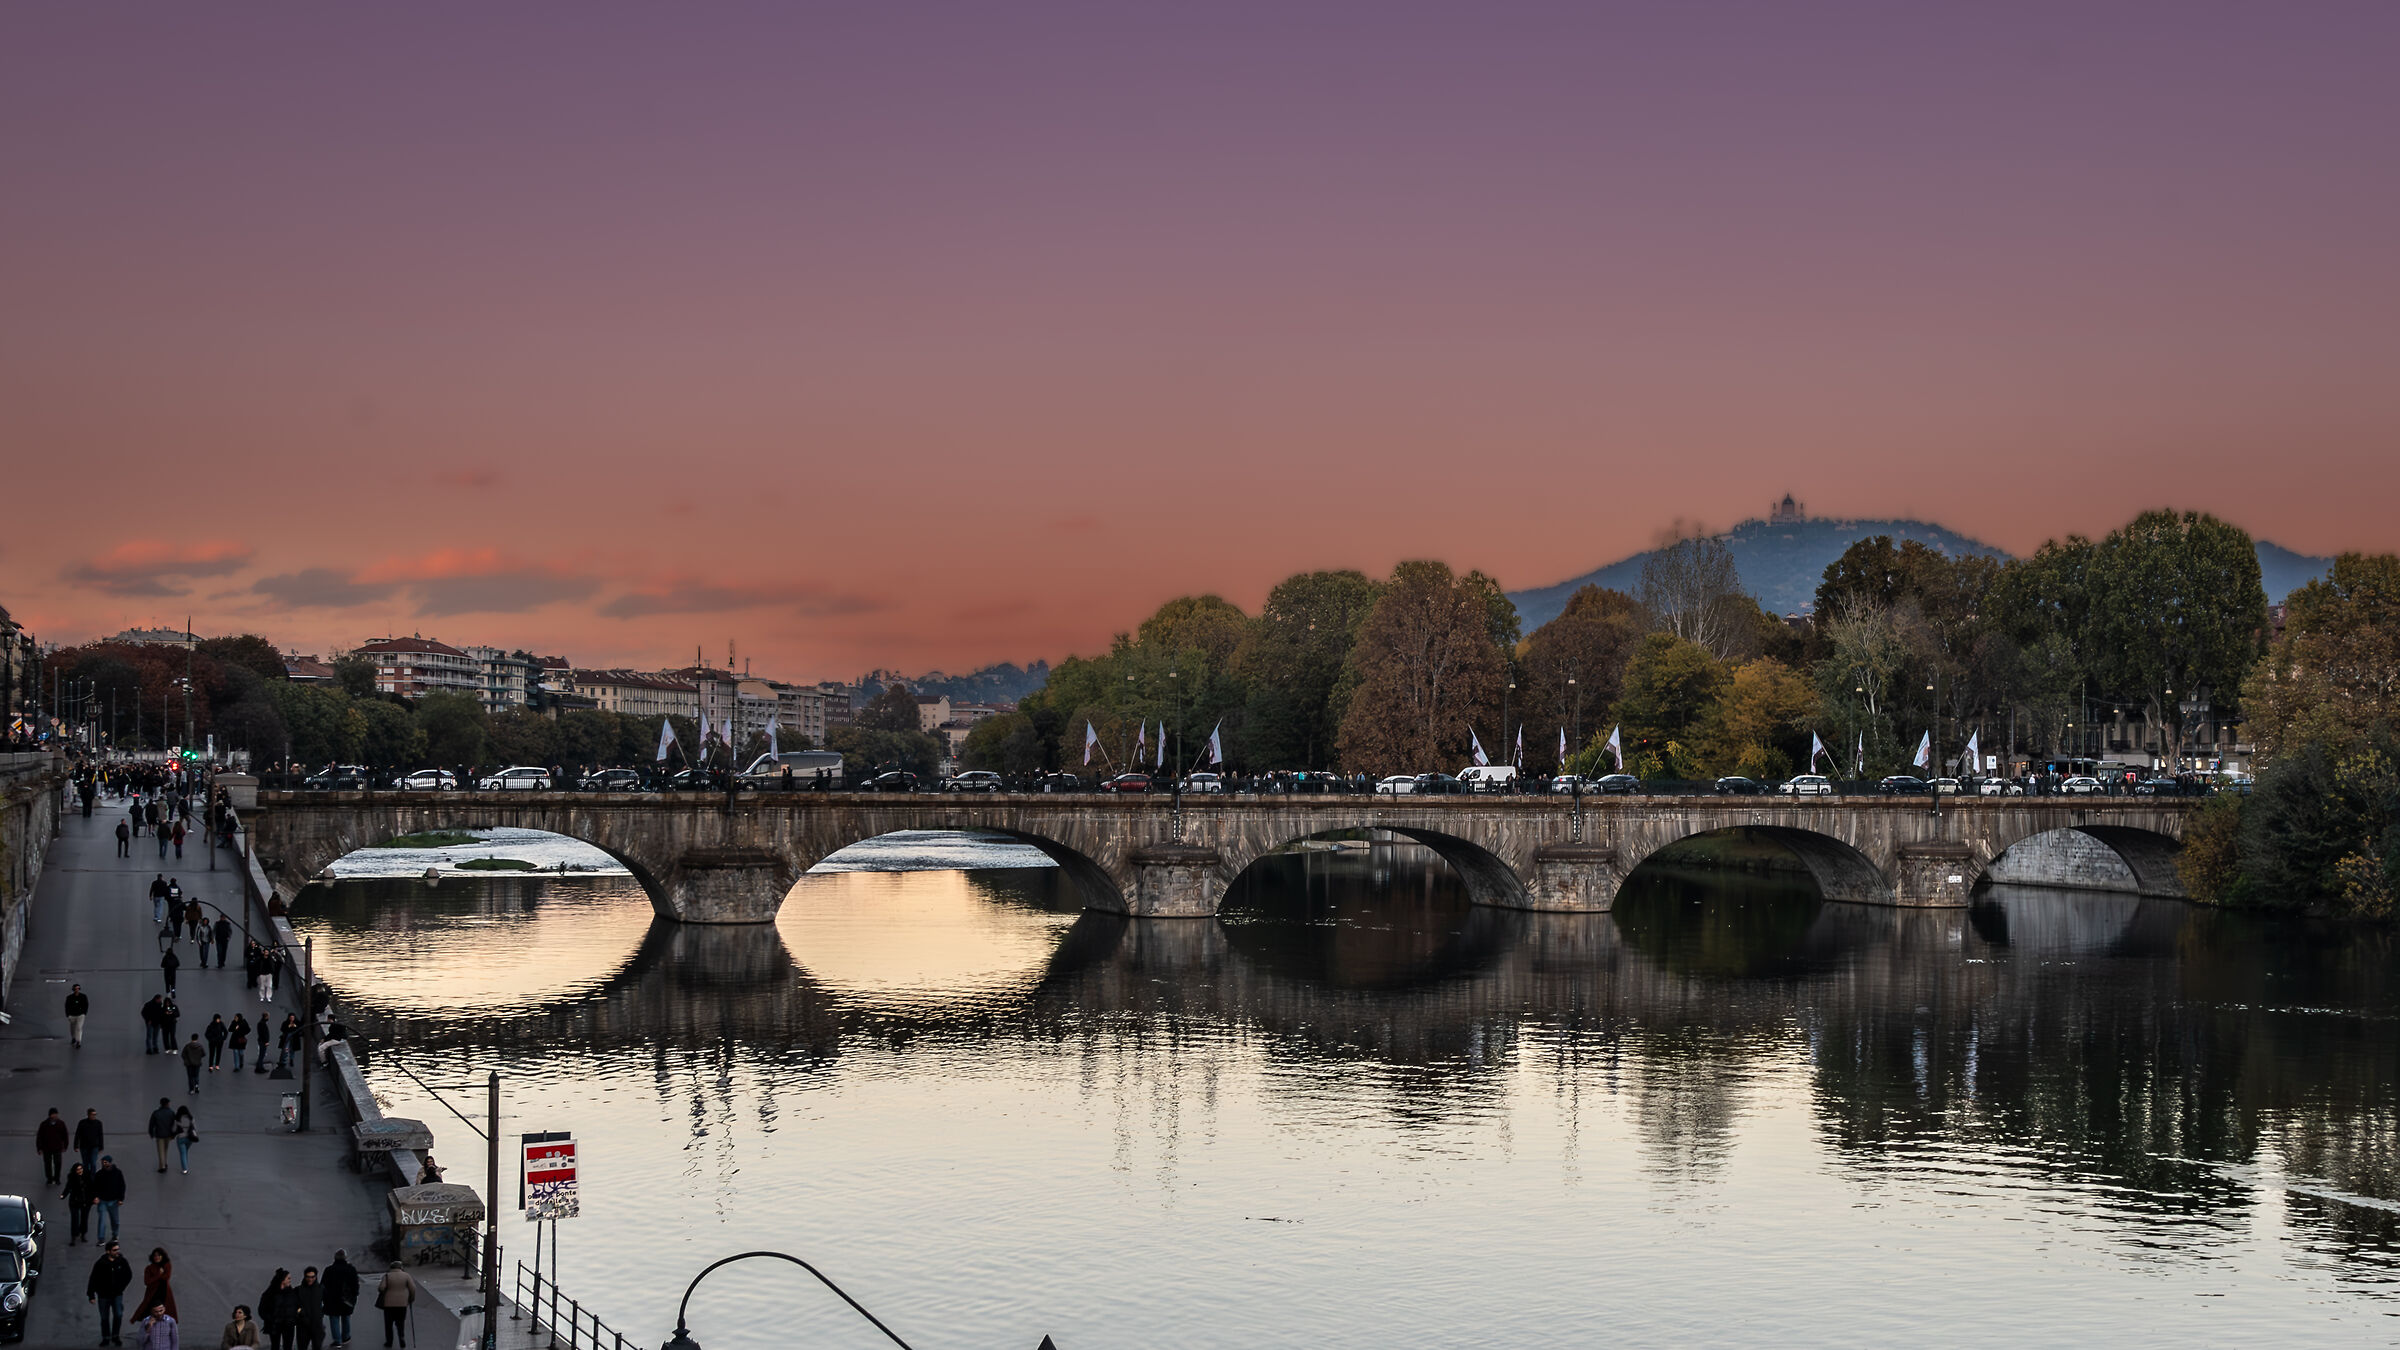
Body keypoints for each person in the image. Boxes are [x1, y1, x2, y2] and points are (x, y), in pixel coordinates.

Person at [89, 1239, 133, 1346]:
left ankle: (115, 1336)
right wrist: (91, 1295)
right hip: (103, 1295)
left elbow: (128, 1275)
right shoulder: (100, 1264)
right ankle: (106, 1337)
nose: (117, 1252)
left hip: (117, 1295)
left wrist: (121, 1287)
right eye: (114, 1250)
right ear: (108, 1251)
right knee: (104, 1318)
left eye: (117, 1249)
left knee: (118, 1315)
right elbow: (93, 1279)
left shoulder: (122, 1261)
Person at [373, 1262, 415, 1349]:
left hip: (388, 1304)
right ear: (401, 1267)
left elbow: (381, 1288)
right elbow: (413, 1288)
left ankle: (389, 1342)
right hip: (402, 1304)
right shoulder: (406, 1275)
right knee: (400, 1323)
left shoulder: (387, 1276)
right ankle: (401, 1338)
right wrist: (411, 1299)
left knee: (388, 1324)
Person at [323, 1251, 359, 1348]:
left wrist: (324, 1298)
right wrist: (354, 1295)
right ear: (345, 1258)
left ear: (335, 1258)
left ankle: (337, 1340)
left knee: (334, 1319)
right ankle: (346, 1337)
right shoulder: (351, 1269)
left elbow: (323, 1285)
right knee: (346, 1317)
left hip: (332, 1300)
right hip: (347, 1299)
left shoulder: (329, 1270)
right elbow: (355, 1285)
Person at [259, 1269, 297, 1350]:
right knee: (275, 1346)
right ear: (282, 1280)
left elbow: (298, 1306)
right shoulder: (269, 1294)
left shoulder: (292, 1293)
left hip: (289, 1325)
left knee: (288, 1347)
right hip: (275, 1325)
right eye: (288, 1278)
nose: (290, 1280)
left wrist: (295, 1317)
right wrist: (270, 1319)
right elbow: (262, 1310)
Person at [137, 1247, 177, 1321]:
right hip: (152, 1293)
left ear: (162, 1256)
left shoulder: (167, 1265)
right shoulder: (149, 1268)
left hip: (164, 1292)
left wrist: (156, 1277)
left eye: (159, 1255)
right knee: (151, 1314)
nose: (157, 1257)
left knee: (164, 1314)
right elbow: (147, 1282)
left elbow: (166, 1277)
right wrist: (158, 1275)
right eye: (155, 1256)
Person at [62, 1159, 95, 1245]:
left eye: (81, 1169)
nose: (80, 1171)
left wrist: (94, 1197)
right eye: (78, 1169)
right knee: (75, 1219)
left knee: (84, 1218)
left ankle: (83, 1234)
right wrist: (63, 1195)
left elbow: (92, 1188)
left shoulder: (87, 1177)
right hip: (75, 1201)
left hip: (86, 1201)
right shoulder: (72, 1178)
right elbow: (68, 1187)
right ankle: (74, 1236)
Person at [94, 1155, 127, 1243]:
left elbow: (122, 1186)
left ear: (110, 1162)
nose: (104, 1164)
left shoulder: (117, 1173)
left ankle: (115, 1235)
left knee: (115, 1221)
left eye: (105, 1162)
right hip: (102, 1201)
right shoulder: (99, 1174)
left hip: (113, 1201)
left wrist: (121, 1199)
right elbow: (95, 1187)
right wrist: (96, 1197)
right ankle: (101, 1238)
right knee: (102, 1221)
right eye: (102, 1162)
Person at [294, 1267, 326, 1350]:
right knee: (302, 1347)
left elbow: (328, 1303)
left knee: (317, 1347)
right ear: (304, 1277)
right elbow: (294, 1305)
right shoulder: (298, 1290)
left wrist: (321, 1313)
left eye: (312, 1277)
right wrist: (300, 1312)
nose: (310, 1279)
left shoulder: (321, 1289)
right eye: (308, 1277)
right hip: (302, 1325)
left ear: (316, 1277)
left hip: (317, 1325)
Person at [36, 1105, 69, 1183]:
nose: (55, 1115)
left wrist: (65, 1146)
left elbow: (65, 1135)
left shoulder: (61, 1124)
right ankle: (49, 1178)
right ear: (50, 1115)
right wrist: (39, 1148)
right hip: (46, 1148)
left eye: (56, 1114)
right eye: (53, 1114)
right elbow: (39, 1137)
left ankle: (57, 1178)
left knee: (58, 1163)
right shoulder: (44, 1124)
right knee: (47, 1164)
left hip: (57, 1147)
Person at [148, 1097, 177, 1172]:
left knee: (160, 1151)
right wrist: (174, 1134)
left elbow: (151, 1124)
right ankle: (165, 1162)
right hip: (168, 1134)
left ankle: (162, 1166)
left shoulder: (156, 1113)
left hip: (159, 1134)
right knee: (165, 1149)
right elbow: (175, 1124)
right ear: (167, 1104)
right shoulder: (171, 1112)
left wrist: (151, 1133)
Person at [76, 1107, 105, 1175]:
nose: (94, 1116)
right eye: (92, 1114)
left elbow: (100, 1135)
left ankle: (93, 1177)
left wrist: (101, 1147)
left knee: (93, 1163)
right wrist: (76, 1145)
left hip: (94, 1147)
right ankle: (86, 1177)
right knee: (85, 1164)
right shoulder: (82, 1123)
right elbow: (78, 1134)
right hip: (84, 1146)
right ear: (88, 1115)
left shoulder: (98, 1123)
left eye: (95, 1114)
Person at [172, 1106, 198, 1173]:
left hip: (181, 1138)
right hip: (190, 1138)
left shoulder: (177, 1119)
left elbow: (174, 1129)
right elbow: (195, 1128)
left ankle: (185, 1169)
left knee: (182, 1153)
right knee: (186, 1151)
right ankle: (186, 1165)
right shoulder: (191, 1118)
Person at [67, 981, 90, 1047]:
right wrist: (68, 1015)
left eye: (78, 988)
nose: (77, 990)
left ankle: (78, 1041)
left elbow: (86, 1005)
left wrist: (84, 1013)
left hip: (80, 1015)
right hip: (72, 1015)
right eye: (75, 989)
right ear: (73, 989)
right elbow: (67, 1006)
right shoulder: (69, 998)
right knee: (73, 1028)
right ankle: (73, 1037)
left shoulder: (83, 997)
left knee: (79, 1027)